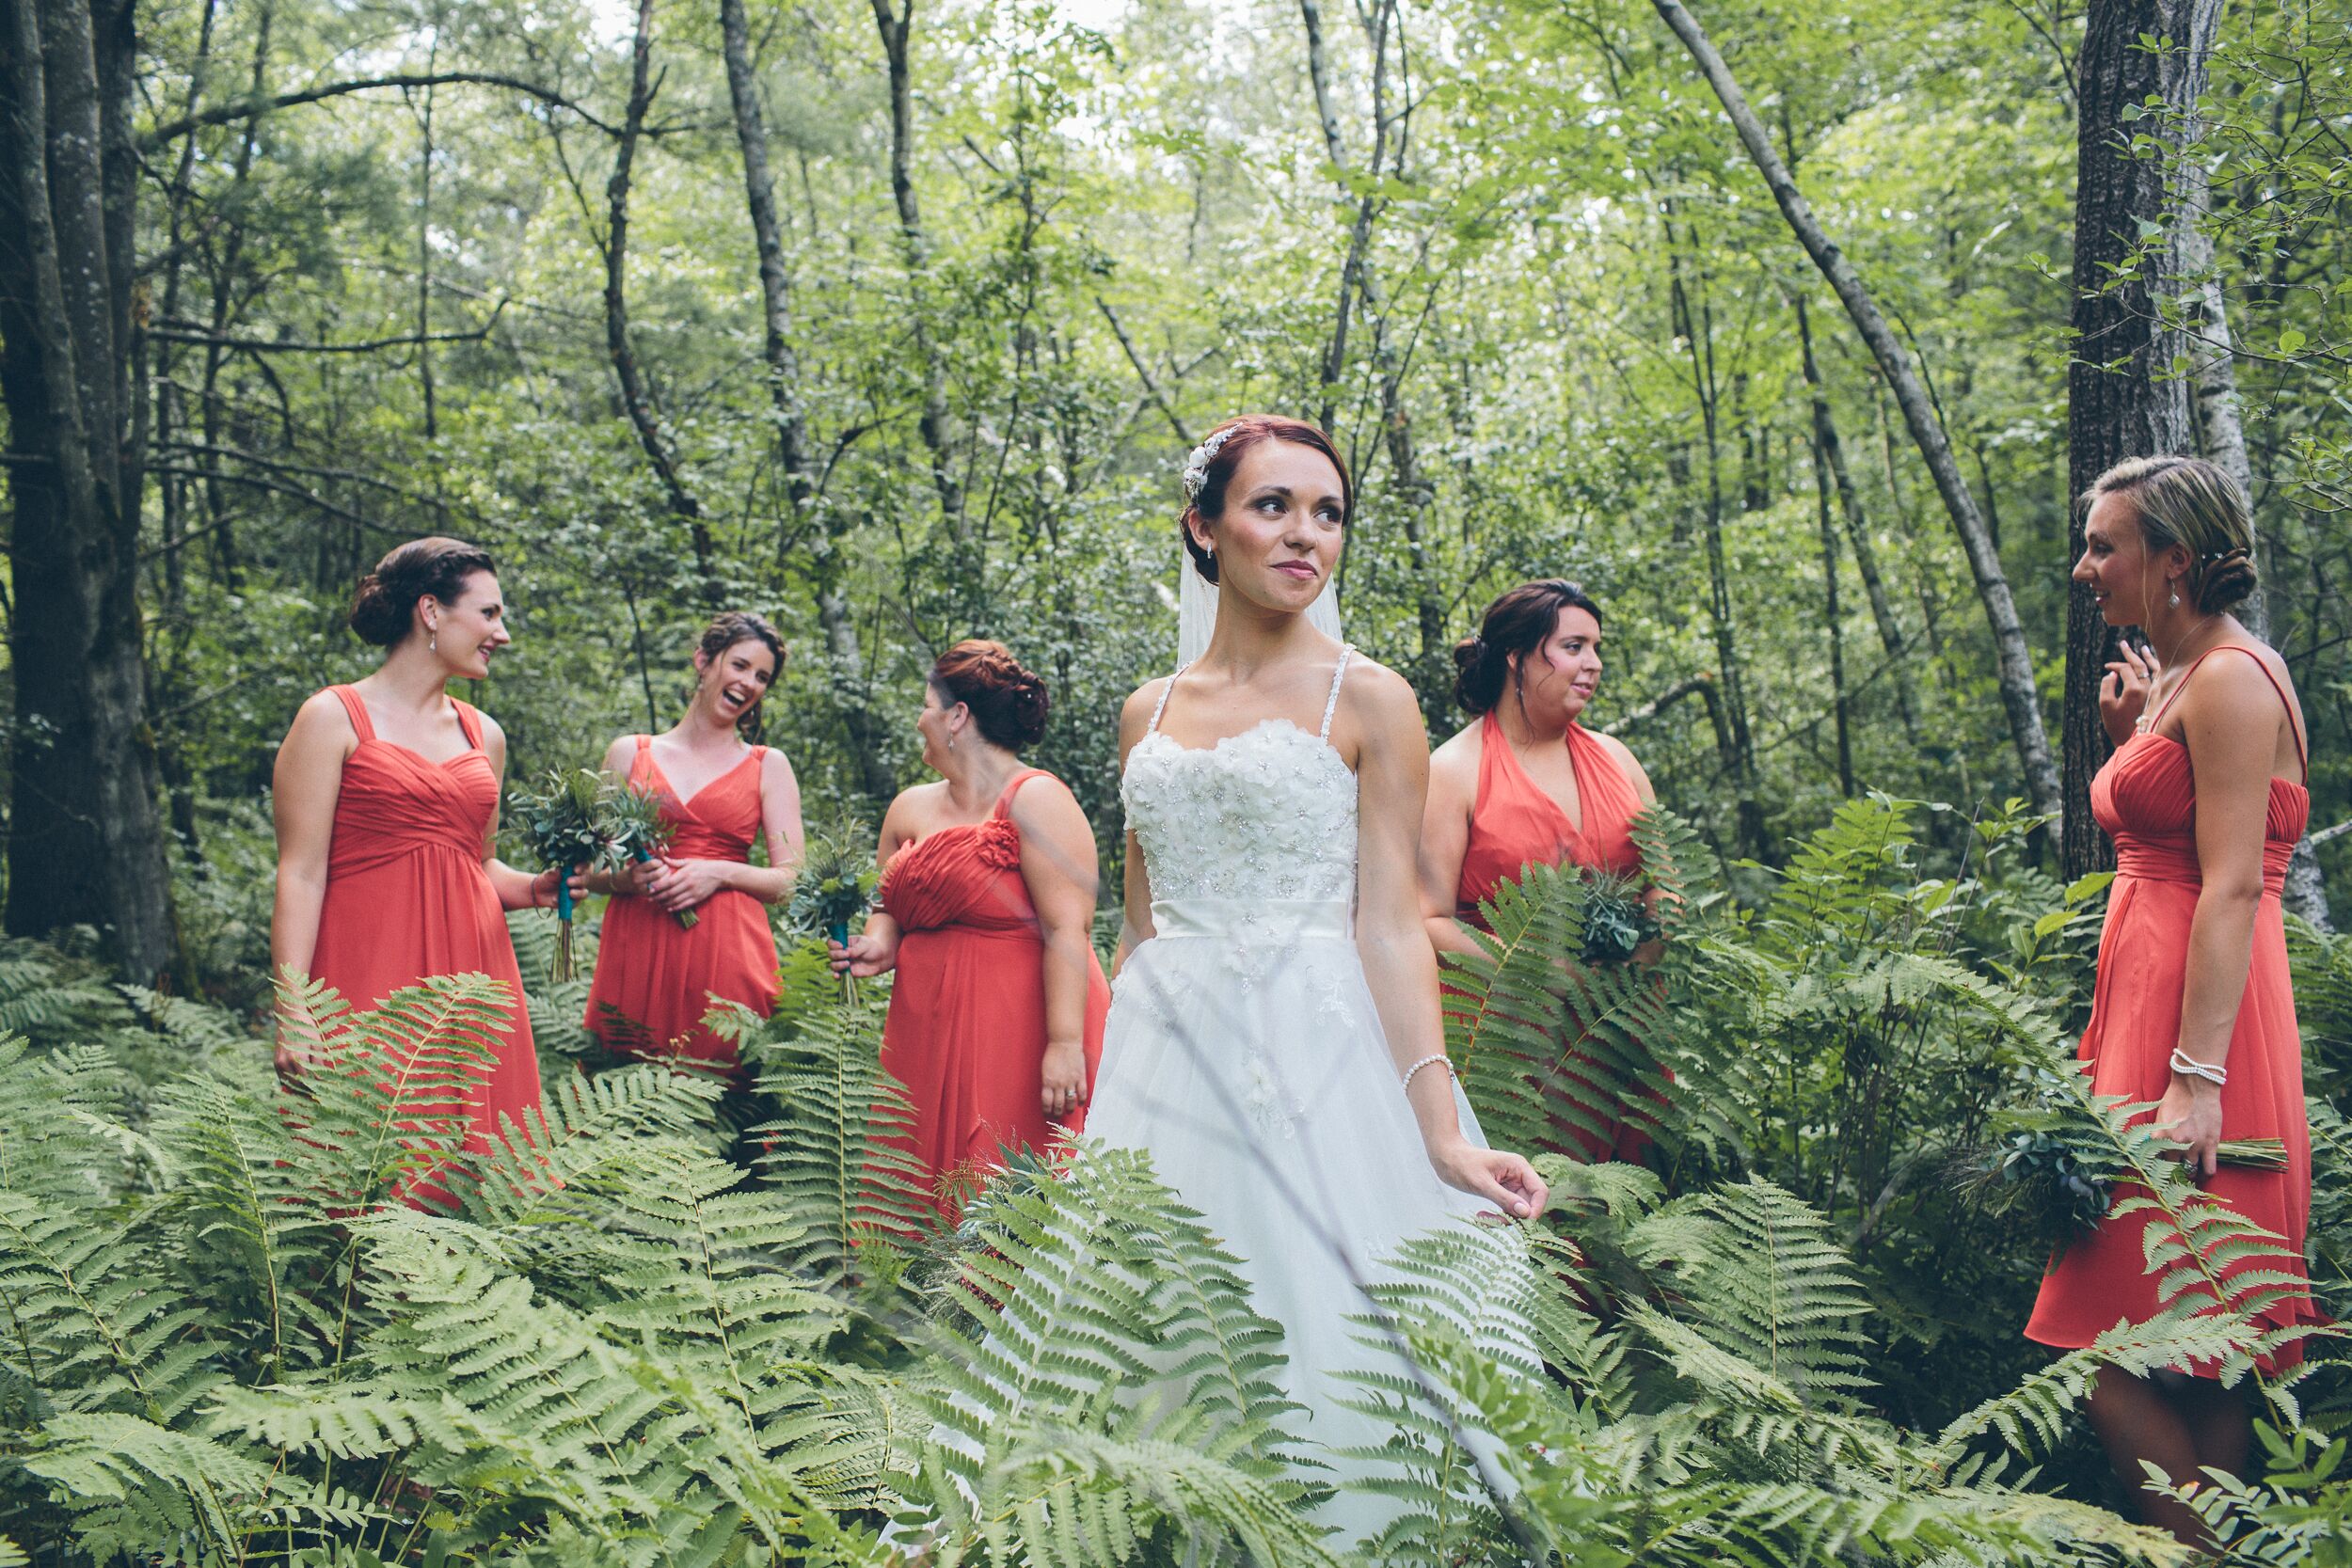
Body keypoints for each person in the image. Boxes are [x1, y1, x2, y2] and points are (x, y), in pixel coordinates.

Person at [1087, 413, 1548, 1539]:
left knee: (1331, 1336)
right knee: (1147, 1329)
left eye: (1328, 512)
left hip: (1315, 1043)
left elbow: (1390, 925)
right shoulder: (1145, 712)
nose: (1306, 535)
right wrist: (1102, 1091)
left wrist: (1441, 1135)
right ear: (1204, 527)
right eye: (1273, 506)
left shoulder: (1371, 698)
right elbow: (1141, 928)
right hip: (1164, 1056)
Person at [2026, 455, 2316, 1545]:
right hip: (2146, 1018)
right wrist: (2132, 743)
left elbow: (2233, 881)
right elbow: (2174, 834)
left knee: (2119, 1338)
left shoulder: (2237, 677)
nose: (2083, 566)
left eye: (2105, 546)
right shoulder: (2185, 673)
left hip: (2203, 1040)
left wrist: (2196, 1082)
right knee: (2187, 1341)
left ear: (2174, 563)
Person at [271, 537, 568, 1203]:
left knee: (481, 1174)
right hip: (369, 968)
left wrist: (539, 887)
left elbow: (476, 864)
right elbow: (300, 873)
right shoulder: (331, 717)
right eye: (489, 613)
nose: (503, 632)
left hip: (475, 975)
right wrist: (294, 1007)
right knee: (362, 1164)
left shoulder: (482, 734)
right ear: (431, 611)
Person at [832, 641, 1110, 1217]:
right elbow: (888, 905)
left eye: (927, 705)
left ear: (957, 716)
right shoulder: (908, 807)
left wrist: (1064, 1045)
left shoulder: (1036, 799)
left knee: (1006, 1183)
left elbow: (1067, 930)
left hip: (1020, 1020)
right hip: (924, 1020)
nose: (920, 720)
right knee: (919, 1181)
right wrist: (878, 942)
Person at [1420, 578, 1660, 1161]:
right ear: (1516, 657)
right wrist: (1540, 974)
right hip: (1506, 1036)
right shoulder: (1453, 771)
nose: (1594, 665)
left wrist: (1631, 971)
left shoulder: (1619, 760)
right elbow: (1424, 918)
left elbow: (1664, 885)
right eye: (1574, 647)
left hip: (1620, 1022)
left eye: (1597, 648)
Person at [582, 611, 804, 1072]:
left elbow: (792, 881)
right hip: (637, 942)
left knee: (724, 1096)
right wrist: (626, 879)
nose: (749, 683)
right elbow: (586, 869)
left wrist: (719, 872)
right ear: (703, 660)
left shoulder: (769, 765)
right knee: (621, 1089)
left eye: (762, 677)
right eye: (739, 665)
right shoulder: (630, 753)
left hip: (727, 951)